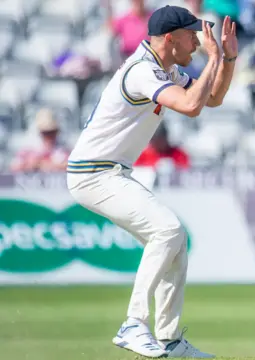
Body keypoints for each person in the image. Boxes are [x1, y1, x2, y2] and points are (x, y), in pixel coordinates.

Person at [66, 6, 238, 358]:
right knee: (168, 231)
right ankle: (133, 322)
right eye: (191, 35)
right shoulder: (143, 72)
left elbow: (213, 99)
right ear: (171, 39)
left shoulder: (167, 69)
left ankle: (170, 340)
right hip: (92, 173)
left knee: (175, 242)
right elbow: (190, 106)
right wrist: (212, 58)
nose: (197, 41)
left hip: (111, 171)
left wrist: (228, 59)